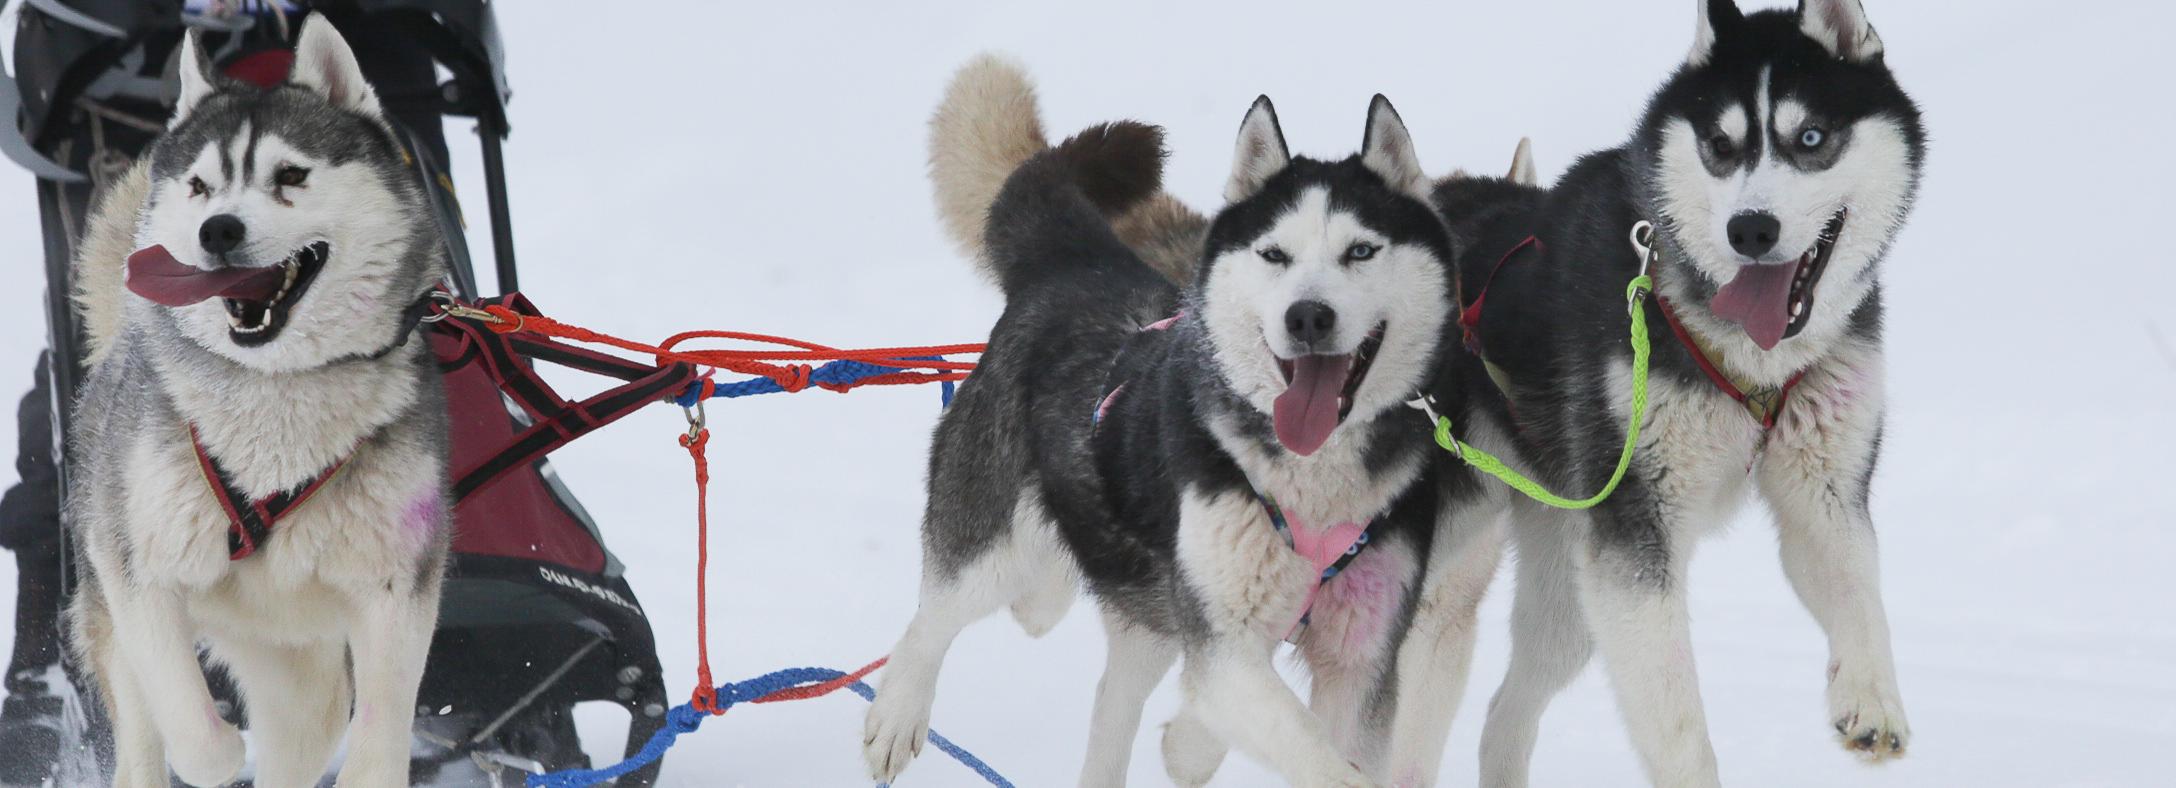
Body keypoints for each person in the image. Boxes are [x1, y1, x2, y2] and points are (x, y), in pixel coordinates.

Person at [0, 3, 453, 780]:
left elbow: (401, 582)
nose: (226, 217)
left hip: (342, 468)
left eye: (288, 180)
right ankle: (84, 713)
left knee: (311, 722)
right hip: (106, 60)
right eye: (205, 191)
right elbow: (124, 557)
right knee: (149, 738)